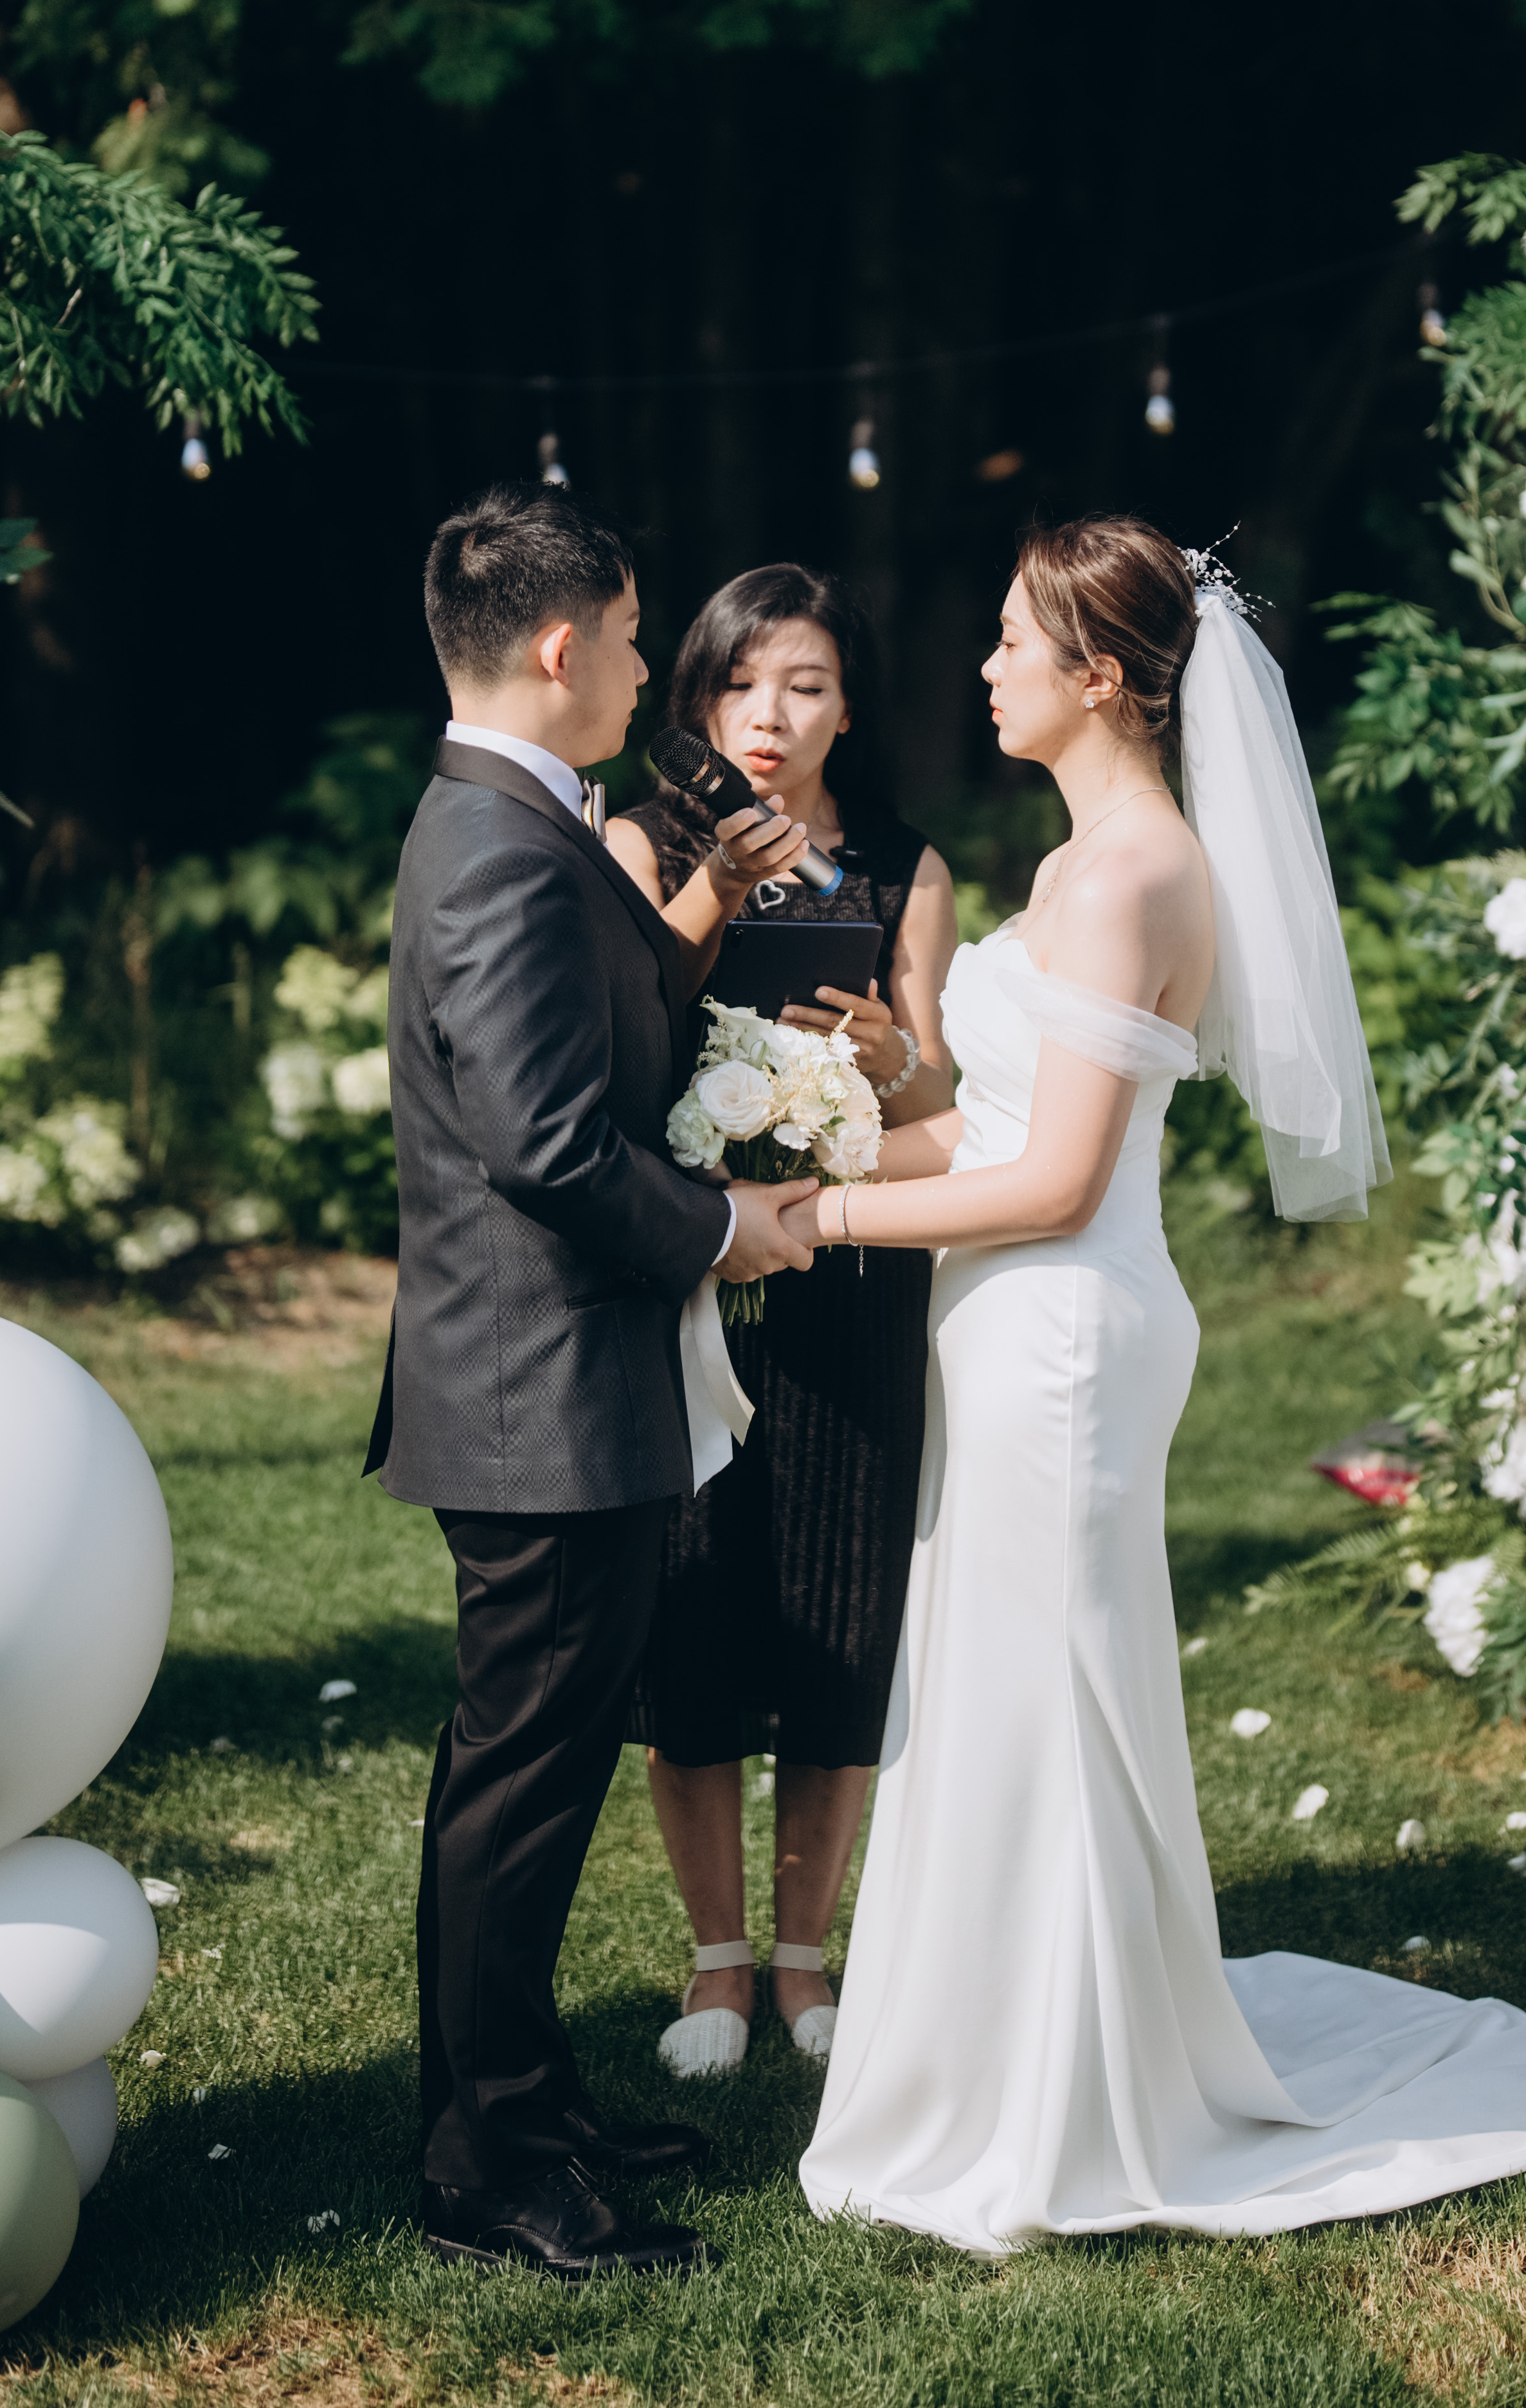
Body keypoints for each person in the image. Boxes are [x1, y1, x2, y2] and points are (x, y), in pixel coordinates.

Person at [794, 515, 1526, 2252]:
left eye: (1013, 641)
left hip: (1066, 1335)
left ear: (1099, 676)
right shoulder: (1081, 859)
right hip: (1014, 1323)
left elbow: (1054, 1181)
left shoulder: (1131, 873)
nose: (984, 666)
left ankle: (1066, 2092)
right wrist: (803, 1147)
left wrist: (817, 1222)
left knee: (1053, 1697)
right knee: (1007, 1682)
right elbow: (988, 1124)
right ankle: (1009, 2047)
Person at [366, 483, 820, 2281]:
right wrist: (727, 1228)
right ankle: (487, 2163)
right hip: (534, 1401)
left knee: (524, 1781)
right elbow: (546, 1144)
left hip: (554, 1389)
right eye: (632, 640)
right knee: (519, 1792)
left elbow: (605, 1033)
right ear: (560, 647)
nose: (646, 672)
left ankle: (526, 2097)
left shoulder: (520, 816)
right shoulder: (494, 844)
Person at [608, 566, 959, 2072]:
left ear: (847, 711)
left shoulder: (902, 868)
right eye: (742, 683)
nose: (770, 714)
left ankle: (806, 1961)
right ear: (697, 697)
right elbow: (615, 1032)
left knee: (838, 1605)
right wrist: (716, 897)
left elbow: (943, 1092)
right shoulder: (640, 842)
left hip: (850, 1274)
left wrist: (889, 1055)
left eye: (806, 686)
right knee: (688, 1611)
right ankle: (716, 1963)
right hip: (687, 1267)